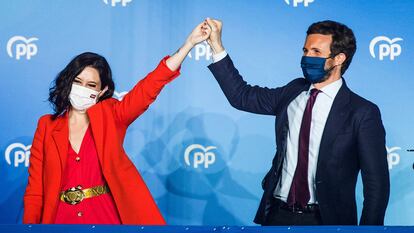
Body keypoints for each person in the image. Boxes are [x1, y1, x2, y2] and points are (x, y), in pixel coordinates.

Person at [23, 21, 212, 224]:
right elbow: (35, 191)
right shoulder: (46, 125)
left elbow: (148, 88)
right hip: (60, 220)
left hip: (105, 217)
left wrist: (188, 44)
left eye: (91, 84)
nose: (82, 88)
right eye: (77, 82)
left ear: (102, 91)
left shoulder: (112, 115)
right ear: (68, 82)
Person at [205, 18, 390, 225]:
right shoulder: (292, 91)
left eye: (316, 52)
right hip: (277, 216)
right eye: (305, 50)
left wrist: (368, 231)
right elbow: (241, 96)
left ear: (339, 58)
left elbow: (376, 184)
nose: (306, 57)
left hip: (327, 221)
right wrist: (216, 45)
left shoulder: (362, 112)